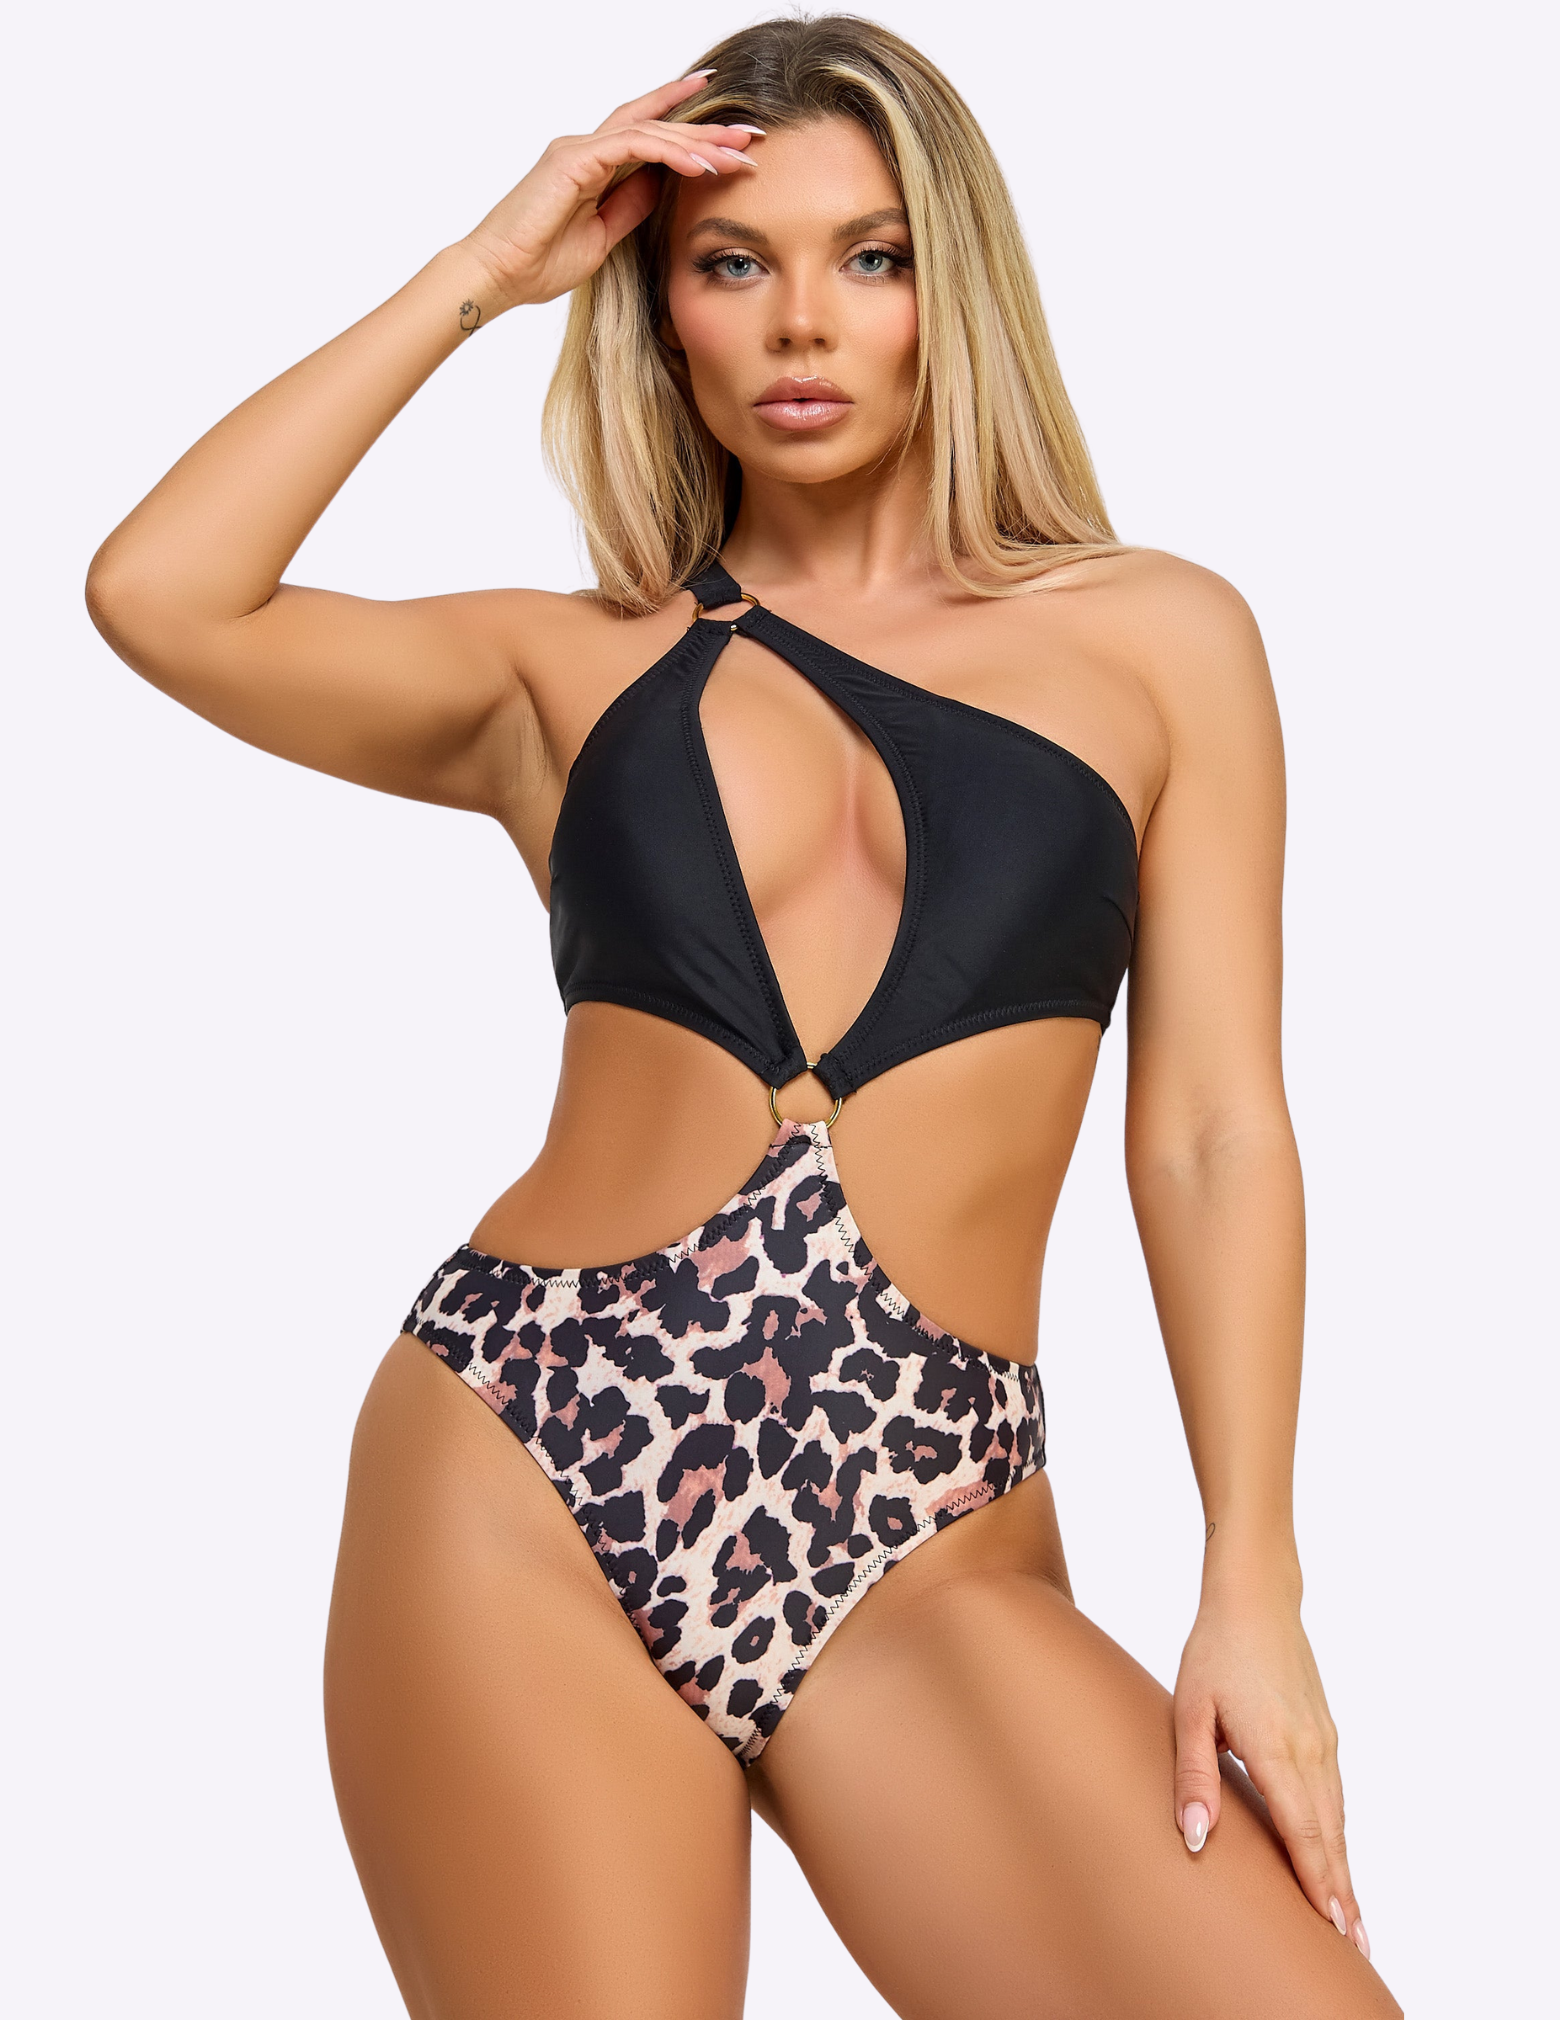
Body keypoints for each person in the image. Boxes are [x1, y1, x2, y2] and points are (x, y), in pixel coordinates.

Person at [84, 15, 1402, 2017]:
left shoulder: (1159, 640)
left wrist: (1255, 1577)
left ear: (950, 289)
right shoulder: (560, 669)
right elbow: (161, 592)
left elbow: (1215, 1128)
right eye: (732, 262)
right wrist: (484, 269)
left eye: (870, 258)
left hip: (923, 1517)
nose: (802, 322)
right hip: (525, 1456)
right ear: (661, 303)